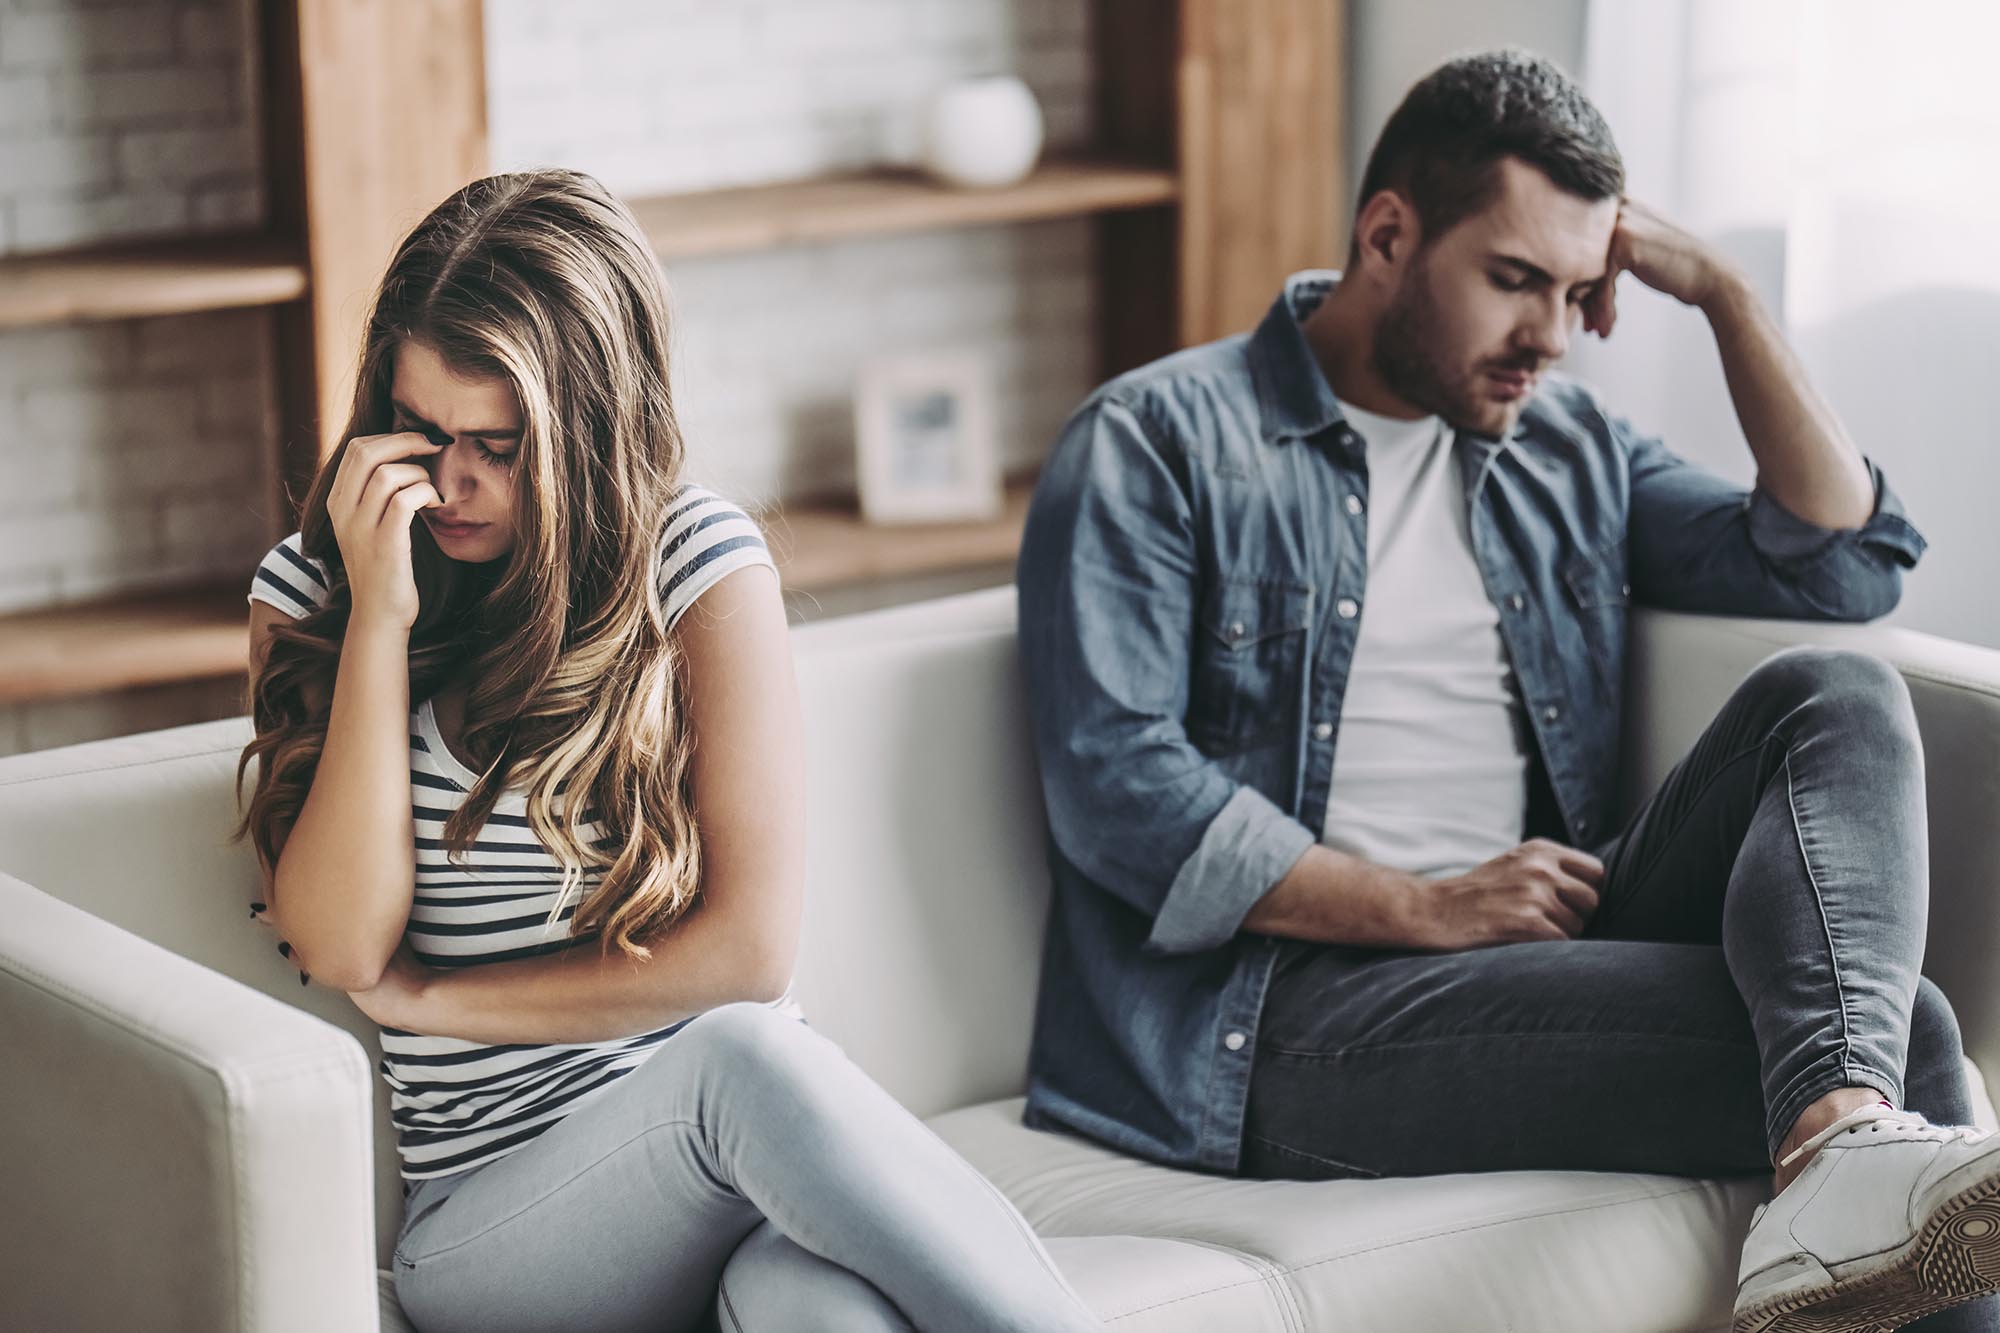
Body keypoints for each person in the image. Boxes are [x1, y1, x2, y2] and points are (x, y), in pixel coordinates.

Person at [1015, 48, 2000, 1333]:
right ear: (1387, 235)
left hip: (1543, 946)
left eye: (1578, 289)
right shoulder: (1158, 441)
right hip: (1289, 1013)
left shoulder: (1559, 446)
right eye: (1512, 280)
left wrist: (1721, 294)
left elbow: (1840, 561)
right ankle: (1845, 1150)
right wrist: (1417, 905)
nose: (1547, 334)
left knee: (1834, 690)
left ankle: (1839, 1151)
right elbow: (1117, 787)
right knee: (1907, 1031)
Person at [234, 168, 1101, 1333]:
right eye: (422, 431)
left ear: (586, 434)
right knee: (740, 1063)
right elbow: (342, 940)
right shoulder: (316, 589)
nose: (449, 482)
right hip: (501, 1224)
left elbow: (746, 945)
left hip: (740, 1178)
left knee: (820, 1315)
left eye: (497, 444)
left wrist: (442, 996)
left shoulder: (693, 561)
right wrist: (381, 620)